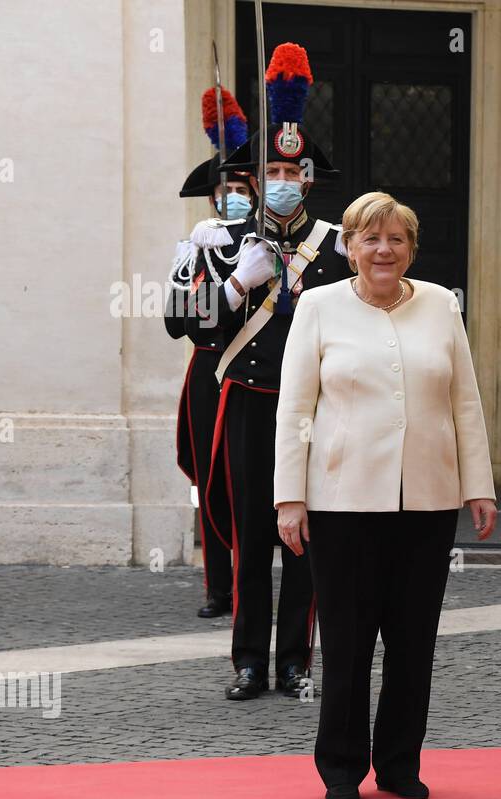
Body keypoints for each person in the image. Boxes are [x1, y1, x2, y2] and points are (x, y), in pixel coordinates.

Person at [274, 192, 497, 799]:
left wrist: (477, 484)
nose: (383, 250)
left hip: (427, 501)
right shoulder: (317, 306)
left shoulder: (440, 305)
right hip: (341, 502)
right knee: (346, 640)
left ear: (411, 249)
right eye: (370, 238)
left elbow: (465, 402)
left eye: (396, 239)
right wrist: (289, 497)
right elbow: (295, 408)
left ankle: (400, 762)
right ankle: (342, 766)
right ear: (348, 247)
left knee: (412, 640)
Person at [184, 42, 352, 701]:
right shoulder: (221, 243)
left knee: (302, 534)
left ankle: (295, 662)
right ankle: (250, 660)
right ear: (256, 178)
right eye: (273, 168)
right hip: (250, 402)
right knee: (254, 535)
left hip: (312, 411)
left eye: (294, 169)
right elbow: (195, 327)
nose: (283, 177)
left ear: (309, 177)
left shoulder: (338, 246)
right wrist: (232, 289)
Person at [165, 85, 253, 620]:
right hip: (208, 372)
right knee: (212, 480)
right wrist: (208, 268)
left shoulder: (266, 247)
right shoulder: (193, 250)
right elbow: (179, 321)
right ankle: (218, 588)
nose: (234, 196)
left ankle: (253, 587)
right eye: (226, 190)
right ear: (213, 198)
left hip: (254, 371)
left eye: (243, 187)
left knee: (252, 482)